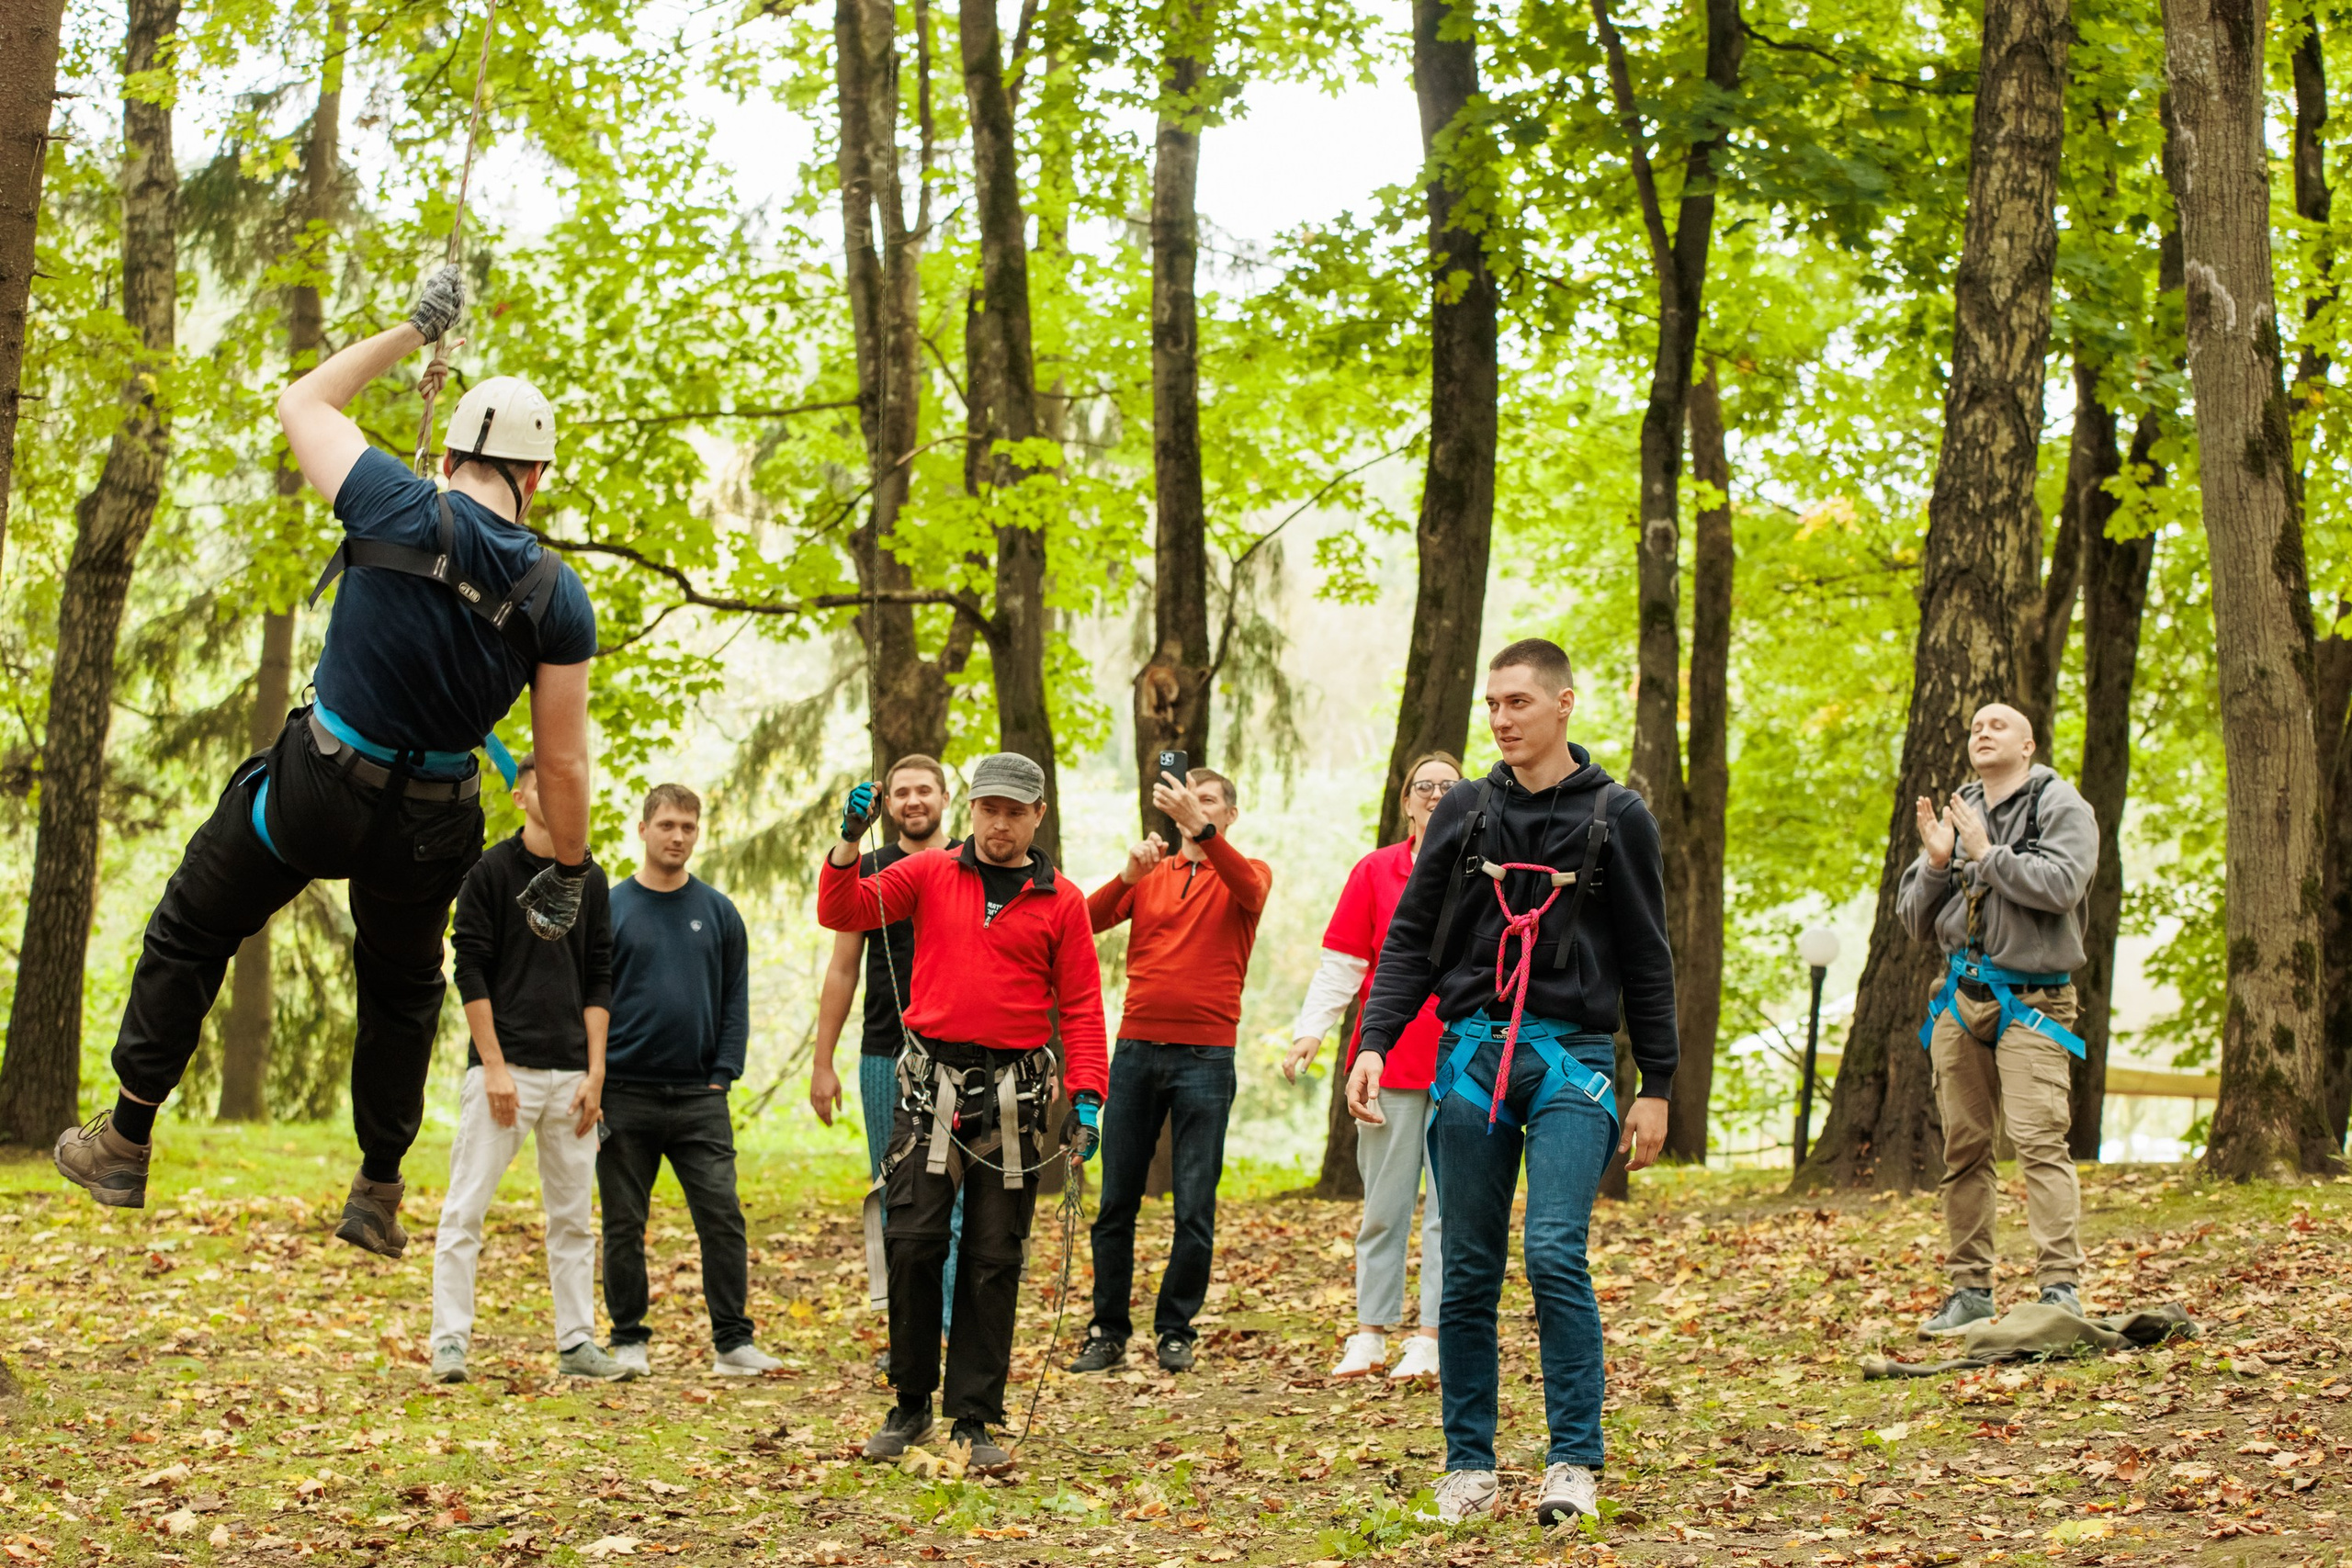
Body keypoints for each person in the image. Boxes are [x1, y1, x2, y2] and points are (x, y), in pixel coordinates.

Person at [56, 265, 598, 1257]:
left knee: (193, 925)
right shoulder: (557, 594)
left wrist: (409, 329)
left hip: (318, 787)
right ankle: (378, 1191)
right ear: (536, 476)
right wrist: (567, 870)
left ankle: (126, 1141)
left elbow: (303, 400)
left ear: (458, 454)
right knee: (399, 991)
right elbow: (561, 766)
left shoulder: (390, 498)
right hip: (433, 822)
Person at [1350, 638, 1677, 1526]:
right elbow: (1413, 936)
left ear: (1565, 703)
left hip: (1575, 1060)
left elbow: (1649, 954)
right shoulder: (1463, 810)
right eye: (1492, 703)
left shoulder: (1618, 815)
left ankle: (1573, 1459)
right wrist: (1376, 1040)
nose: (1500, 718)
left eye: (1519, 702)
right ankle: (1469, 1462)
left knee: (1554, 1250)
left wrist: (1660, 1082)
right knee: (1468, 1267)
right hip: (1472, 1056)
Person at [818, 752, 1110, 1477]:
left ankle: (973, 1416)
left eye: (1015, 810)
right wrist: (849, 841)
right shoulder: (929, 873)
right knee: (912, 1238)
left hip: (1014, 1095)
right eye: (989, 807)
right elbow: (842, 909)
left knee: (993, 1257)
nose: (999, 822)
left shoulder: (1063, 901)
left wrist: (1088, 1099)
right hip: (928, 1088)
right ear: (971, 808)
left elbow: (1080, 1006)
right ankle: (910, 1400)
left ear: (1038, 815)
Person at [1898, 702, 2098, 1337]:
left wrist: (1987, 854)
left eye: (1998, 725)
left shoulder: (2061, 805)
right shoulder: (1957, 809)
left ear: (2029, 744)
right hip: (1961, 998)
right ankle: (1970, 1292)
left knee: (2040, 1143)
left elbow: (2063, 884)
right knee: (1964, 1150)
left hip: (2035, 1003)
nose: (1983, 732)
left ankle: (2059, 1289)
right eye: (1976, 727)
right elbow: (1912, 917)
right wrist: (1937, 864)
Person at [431, 752, 630, 1383]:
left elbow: (599, 975)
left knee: (574, 1215)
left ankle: (577, 1342)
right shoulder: (490, 871)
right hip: (504, 1071)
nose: (558, 791)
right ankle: (449, 1344)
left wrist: (596, 1073)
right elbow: (468, 969)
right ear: (520, 796)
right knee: (466, 1208)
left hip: (573, 1077)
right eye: (542, 781)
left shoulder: (590, 876)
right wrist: (493, 1065)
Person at [1068, 768, 1272, 1377]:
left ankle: (1176, 1329)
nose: (1194, 807)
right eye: (1189, 798)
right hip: (1135, 1051)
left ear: (1228, 815)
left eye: (1208, 801)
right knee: (1116, 1201)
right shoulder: (1152, 872)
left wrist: (1201, 829)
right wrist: (1126, 875)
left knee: (1193, 1204)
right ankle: (1107, 1330)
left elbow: (1251, 893)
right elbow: (1081, 920)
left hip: (1206, 1057)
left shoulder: (1246, 870)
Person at [1285, 750, 1463, 1383]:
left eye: (1450, 785)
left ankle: (1432, 1336)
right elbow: (1342, 964)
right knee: (1384, 1206)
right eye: (1425, 786)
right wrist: (1311, 1033)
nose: (1437, 795)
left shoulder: (1483, 869)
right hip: (1386, 1065)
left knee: (1451, 1211)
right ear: (1407, 800)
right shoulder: (1375, 870)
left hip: (1465, 1065)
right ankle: (1370, 1332)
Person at [597, 784, 783, 1378]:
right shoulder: (610, 907)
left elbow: (736, 999)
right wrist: (593, 1079)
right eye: (668, 824)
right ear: (644, 828)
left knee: (723, 1216)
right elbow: (588, 998)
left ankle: (732, 1340)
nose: (678, 836)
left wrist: (722, 1075)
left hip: (700, 1095)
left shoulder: (719, 911)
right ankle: (629, 1339)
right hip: (622, 1093)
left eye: (688, 826)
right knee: (624, 1221)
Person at [808, 753, 966, 1336]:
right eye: (901, 793)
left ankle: (953, 1324)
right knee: (900, 1196)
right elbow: (843, 968)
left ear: (946, 798)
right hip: (885, 1053)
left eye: (925, 790)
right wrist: (822, 1063)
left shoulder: (973, 862)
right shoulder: (868, 866)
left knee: (957, 1201)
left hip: (961, 1054)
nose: (913, 801)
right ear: (887, 803)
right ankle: (912, 1328)